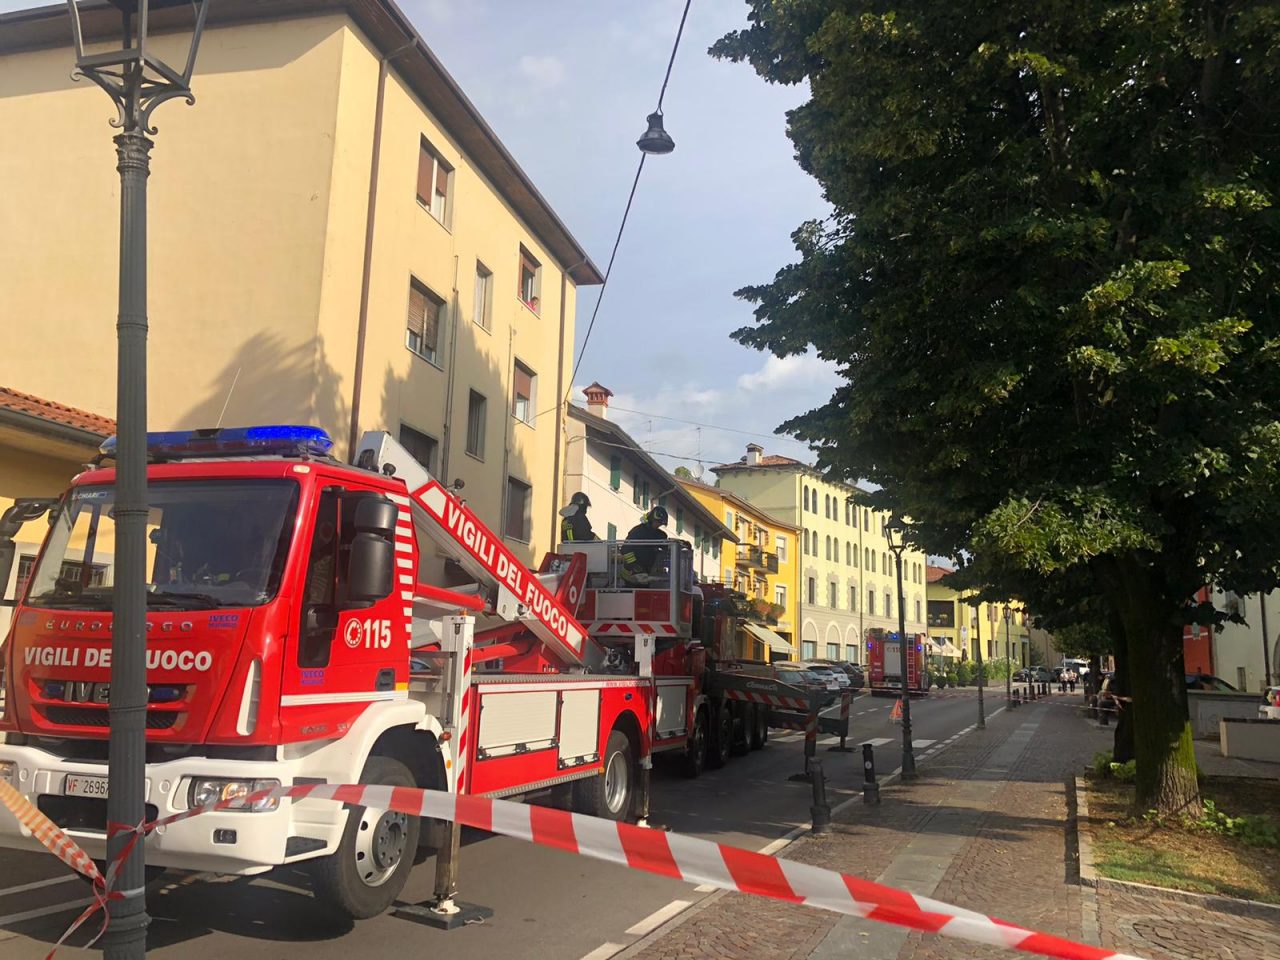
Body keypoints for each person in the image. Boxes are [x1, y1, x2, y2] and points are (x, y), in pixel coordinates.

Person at [622, 505, 669, 583]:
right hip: (631, 573)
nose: (658, 525)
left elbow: (666, 546)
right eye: (657, 522)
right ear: (651, 520)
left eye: (660, 523)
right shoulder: (638, 531)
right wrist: (634, 565)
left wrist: (680, 544)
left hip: (646, 573)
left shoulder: (659, 534)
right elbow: (625, 549)